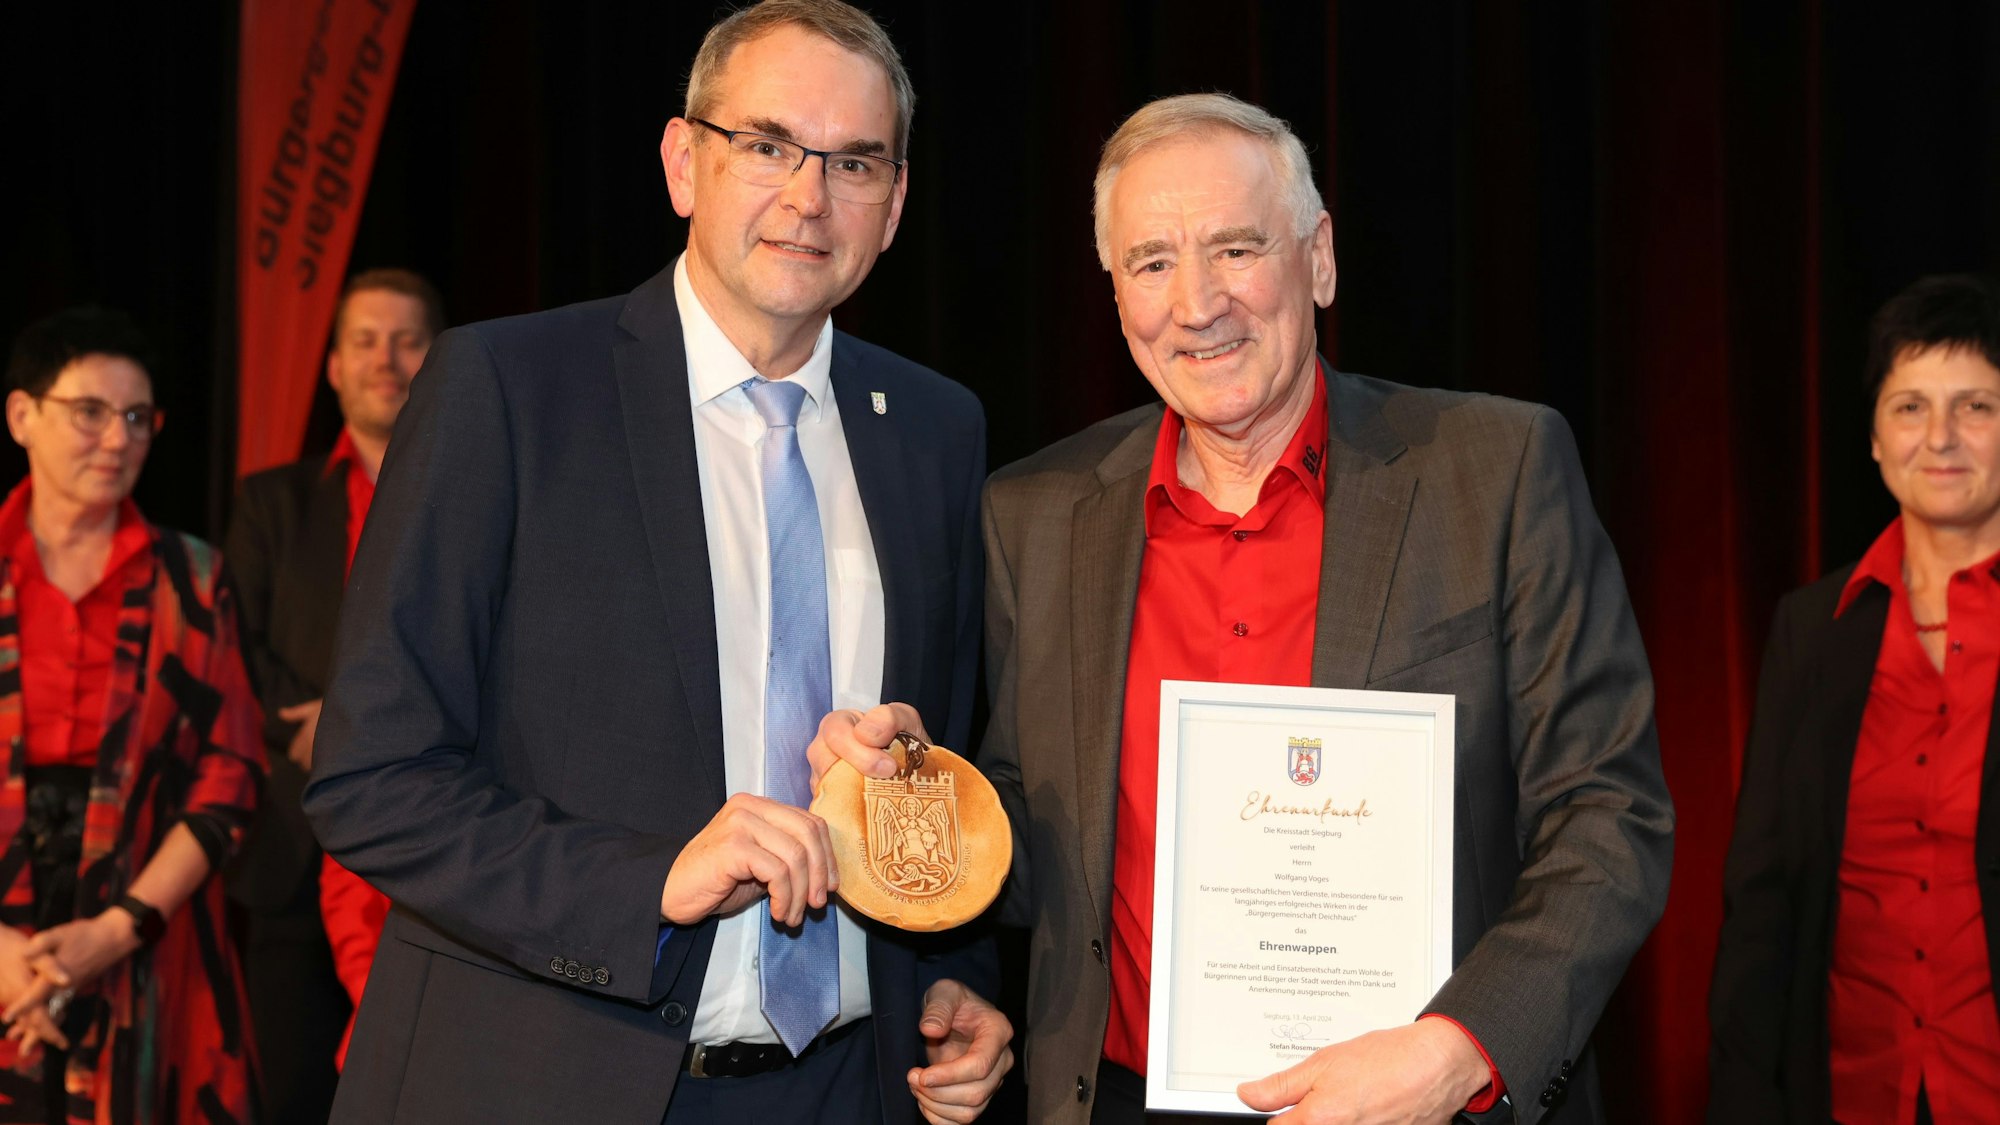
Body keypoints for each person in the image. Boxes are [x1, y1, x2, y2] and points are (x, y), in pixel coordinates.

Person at [815, 92, 1674, 1123]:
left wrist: (1457, 1050)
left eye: (1233, 248)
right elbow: (1041, 838)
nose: (1195, 303)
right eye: (1151, 262)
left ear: (1316, 258)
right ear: (1114, 292)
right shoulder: (1033, 516)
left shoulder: (1491, 475)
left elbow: (1606, 816)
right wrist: (916, 794)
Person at [300, 2, 1012, 1122]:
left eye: (854, 162)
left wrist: (955, 976)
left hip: (847, 1087)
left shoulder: (933, 428)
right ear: (684, 162)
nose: (807, 195)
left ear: (896, 203)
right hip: (544, 1079)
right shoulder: (507, 391)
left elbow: (946, 759)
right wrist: (647, 886)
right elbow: (370, 781)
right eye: (768, 144)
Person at [1709, 275, 2000, 1124]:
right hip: (1842, 1094)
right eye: (1910, 406)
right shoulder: (1812, 628)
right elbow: (1760, 898)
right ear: (1874, 437)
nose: (1940, 436)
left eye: (1976, 405)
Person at [0, 308, 264, 1121]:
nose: (117, 439)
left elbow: (231, 778)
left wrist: (113, 933)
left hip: (147, 931)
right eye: (90, 412)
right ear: (22, 416)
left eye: (137, 418)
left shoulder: (195, 580)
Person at [224, 267, 443, 1113]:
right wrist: (311, 732)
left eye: (408, 339)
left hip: (434, 839)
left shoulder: (475, 495)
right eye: (364, 340)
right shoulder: (270, 503)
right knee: (290, 1088)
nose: (386, 360)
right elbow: (234, 644)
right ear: (333, 366)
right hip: (292, 843)